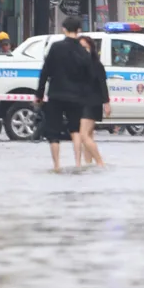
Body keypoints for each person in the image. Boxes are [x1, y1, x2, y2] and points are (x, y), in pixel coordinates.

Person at [34, 16, 96, 172]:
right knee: (75, 130)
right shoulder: (83, 51)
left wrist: (39, 94)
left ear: (64, 29)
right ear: (79, 30)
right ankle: (77, 163)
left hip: (56, 94)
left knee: (53, 132)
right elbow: (90, 76)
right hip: (76, 97)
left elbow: (45, 72)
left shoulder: (56, 47)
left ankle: (56, 166)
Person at [78, 35, 110, 168]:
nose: (83, 50)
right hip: (81, 102)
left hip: (93, 102)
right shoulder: (77, 65)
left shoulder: (96, 65)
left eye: (86, 47)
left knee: (83, 135)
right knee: (88, 135)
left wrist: (106, 103)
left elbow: (103, 84)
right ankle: (88, 164)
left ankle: (100, 163)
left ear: (91, 48)